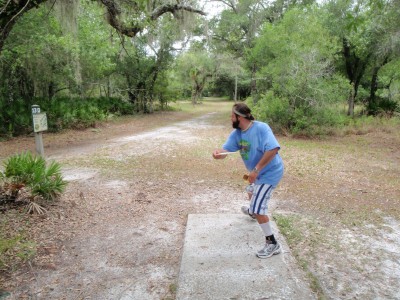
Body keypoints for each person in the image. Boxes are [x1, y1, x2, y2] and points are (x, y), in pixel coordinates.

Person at [212, 103, 284, 258]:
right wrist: (218, 153)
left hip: (270, 172)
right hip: (256, 174)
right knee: (251, 191)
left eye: (232, 115)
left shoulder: (261, 128)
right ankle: (253, 212)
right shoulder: (237, 134)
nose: (230, 118)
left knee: (259, 208)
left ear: (240, 117)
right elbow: (227, 151)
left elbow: (273, 149)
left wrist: (256, 170)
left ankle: (272, 244)